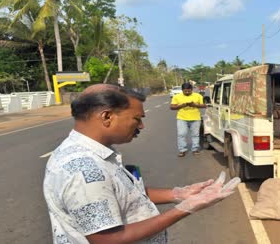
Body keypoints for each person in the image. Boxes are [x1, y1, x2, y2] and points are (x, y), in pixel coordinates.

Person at [43, 84, 240, 244]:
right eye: (137, 119)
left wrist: (178, 194)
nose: (141, 126)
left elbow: (122, 192)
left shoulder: (94, 153)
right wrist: (185, 208)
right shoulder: (83, 167)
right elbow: (108, 239)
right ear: (107, 117)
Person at [170, 82, 207, 157]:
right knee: (181, 134)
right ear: (182, 90)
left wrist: (195, 105)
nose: (187, 92)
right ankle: (182, 150)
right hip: (182, 118)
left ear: (192, 89)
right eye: (185, 91)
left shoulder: (198, 96)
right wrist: (182, 105)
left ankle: (195, 149)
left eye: (189, 91)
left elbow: (204, 105)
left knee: (195, 135)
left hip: (195, 118)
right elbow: (172, 107)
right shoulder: (177, 97)